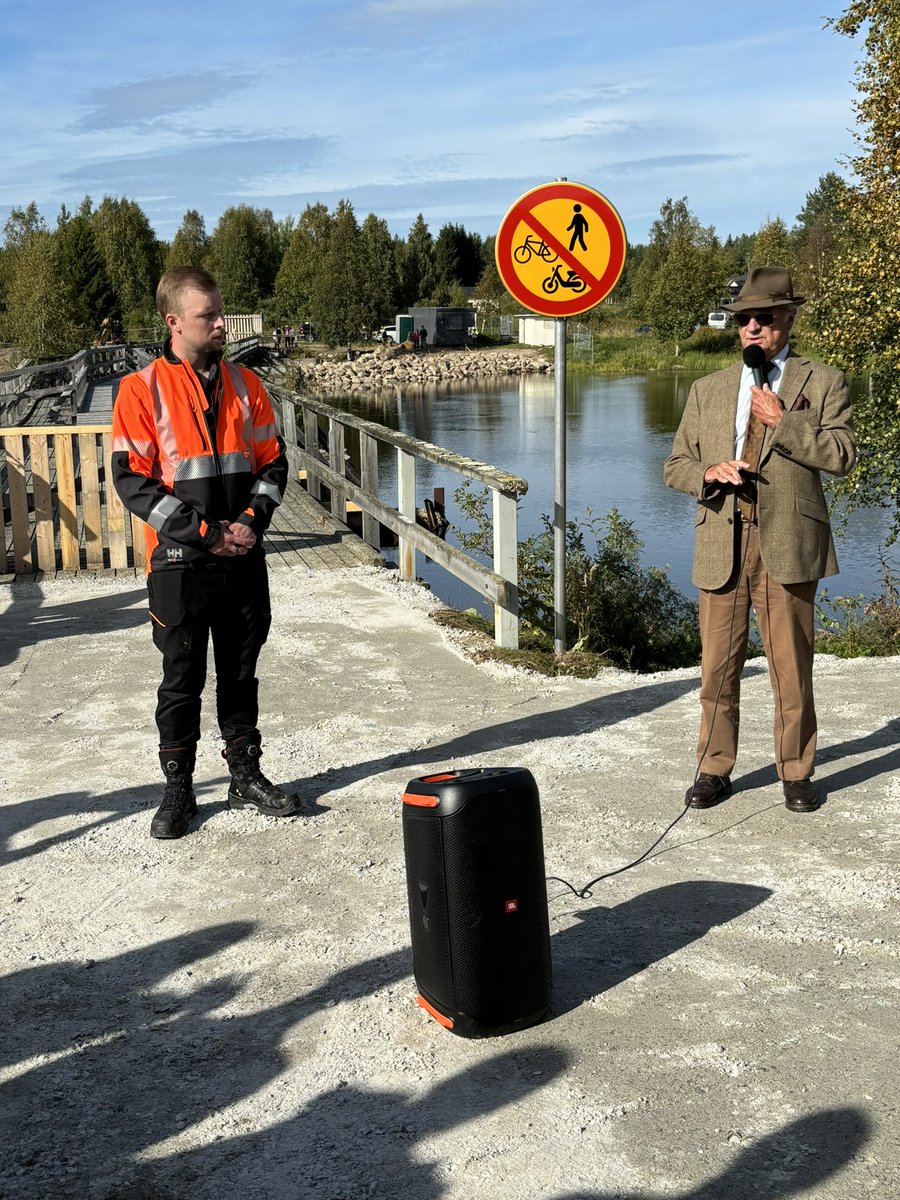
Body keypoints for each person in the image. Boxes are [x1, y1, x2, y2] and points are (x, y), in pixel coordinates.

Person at [112, 267, 301, 839]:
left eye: (221, 312)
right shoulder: (140, 390)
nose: (222, 323)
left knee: (240, 673)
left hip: (243, 557)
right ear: (174, 322)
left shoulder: (247, 385)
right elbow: (133, 482)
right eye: (208, 315)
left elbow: (273, 462)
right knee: (181, 678)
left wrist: (249, 522)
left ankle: (245, 774)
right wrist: (205, 534)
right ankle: (178, 790)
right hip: (180, 565)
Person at [663, 266, 855, 814]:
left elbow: (842, 457)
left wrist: (785, 423)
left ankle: (795, 772)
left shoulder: (822, 382)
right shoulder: (708, 389)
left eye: (763, 318)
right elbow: (674, 465)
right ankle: (713, 769)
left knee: (791, 667)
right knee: (717, 668)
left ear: (788, 320)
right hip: (722, 538)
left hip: (790, 540)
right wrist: (708, 472)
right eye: (743, 319)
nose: (751, 327)